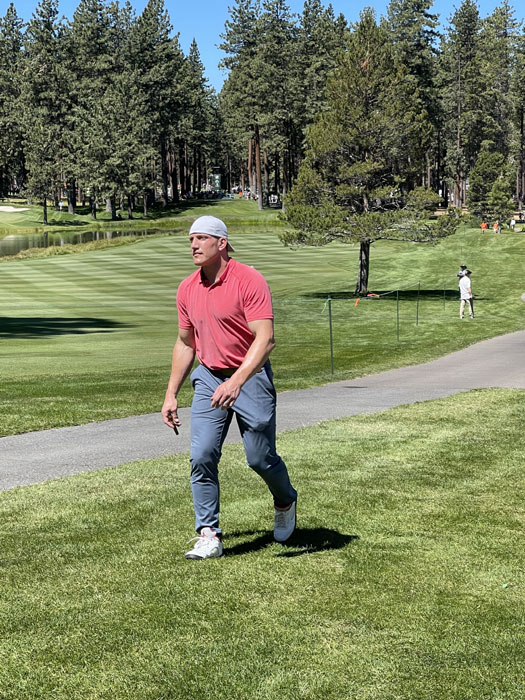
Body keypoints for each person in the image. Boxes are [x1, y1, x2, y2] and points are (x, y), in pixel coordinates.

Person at [161, 215, 297, 560]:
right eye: (190, 239)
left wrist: (237, 381)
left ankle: (285, 500)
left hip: (250, 375)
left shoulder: (248, 280)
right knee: (202, 455)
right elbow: (186, 343)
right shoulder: (187, 288)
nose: (193, 245)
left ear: (222, 243)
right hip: (209, 376)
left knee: (260, 459)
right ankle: (208, 534)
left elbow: (265, 339)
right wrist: (171, 394)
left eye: (201, 238)